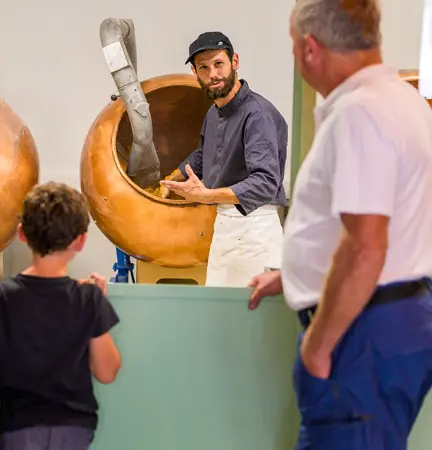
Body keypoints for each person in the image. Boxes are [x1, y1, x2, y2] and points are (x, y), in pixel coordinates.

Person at [248, 1, 432, 448]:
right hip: (392, 318)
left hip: (362, 333)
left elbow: (366, 245)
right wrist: (293, 274)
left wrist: (318, 346)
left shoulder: (360, 113)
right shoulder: (403, 102)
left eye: (293, 47)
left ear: (310, 48)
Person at [0, 182, 122, 450]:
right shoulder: (88, 298)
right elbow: (107, 372)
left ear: (22, 234)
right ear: (81, 241)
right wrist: (96, 307)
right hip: (74, 427)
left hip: (18, 427)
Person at [162, 31, 288, 287]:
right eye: (204, 68)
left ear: (235, 62)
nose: (213, 74)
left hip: (256, 230)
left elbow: (265, 183)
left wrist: (206, 196)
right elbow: (204, 154)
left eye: (219, 63)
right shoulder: (213, 112)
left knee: (250, 321)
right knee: (218, 316)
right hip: (224, 227)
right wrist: (168, 181)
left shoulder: (257, 115)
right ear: (195, 74)